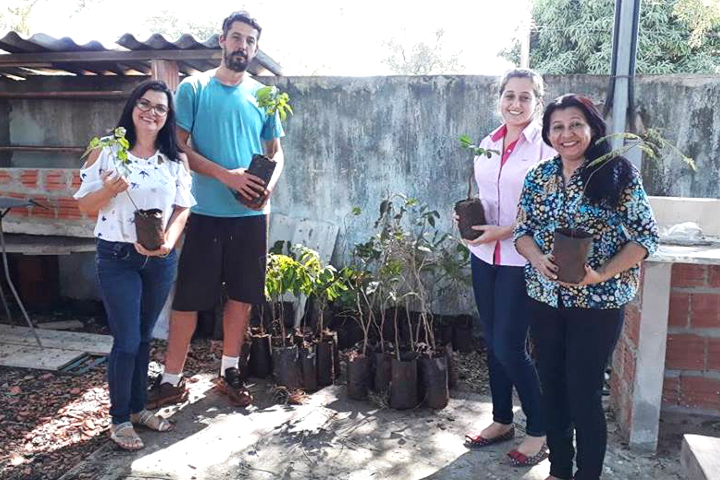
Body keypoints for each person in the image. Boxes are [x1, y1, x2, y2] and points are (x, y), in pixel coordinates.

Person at [514, 94, 659, 480]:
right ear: (548, 134)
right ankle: (559, 470)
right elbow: (522, 232)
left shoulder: (617, 173)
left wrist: (602, 272)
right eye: (557, 127)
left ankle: (587, 474)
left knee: (583, 393)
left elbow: (645, 237)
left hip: (597, 303)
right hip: (545, 297)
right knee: (552, 390)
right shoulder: (538, 177)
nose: (567, 134)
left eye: (575, 123)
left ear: (593, 127)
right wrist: (536, 258)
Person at [147, 10, 284, 409]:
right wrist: (228, 177)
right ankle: (172, 379)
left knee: (240, 298)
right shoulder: (194, 88)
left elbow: (277, 152)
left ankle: (229, 371)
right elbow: (178, 147)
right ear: (222, 40)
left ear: (255, 49)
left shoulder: (265, 95)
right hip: (203, 212)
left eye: (250, 41)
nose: (243, 46)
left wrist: (267, 189)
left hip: (250, 217)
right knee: (188, 299)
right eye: (237, 38)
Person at [74, 80, 195, 450]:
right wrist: (109, 189)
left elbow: (183, 206)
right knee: (126, 341)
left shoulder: (174, 158)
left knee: (144, 338)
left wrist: (169, 243)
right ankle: (119, 419)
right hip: (118, 258)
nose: (152, 112)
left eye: (160, 108)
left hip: (159, 260)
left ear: (167, 116)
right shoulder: (107, 151)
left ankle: (139, 408)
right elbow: (84, 206)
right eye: (145, 104)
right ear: (132, 107)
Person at [461, 68, 555, 466]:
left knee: (510, 345)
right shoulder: (488, 142)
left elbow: (547, 210)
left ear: (537, 103)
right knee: (492, 341)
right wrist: (468, 219)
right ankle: (502, 420)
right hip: (484, 256)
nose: (515, 104)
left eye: (525, 97)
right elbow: (486, 194)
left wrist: (502, 230)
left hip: (520, 258)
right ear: (499, 98)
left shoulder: (546, 149)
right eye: (509, 96)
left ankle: (540, 428)